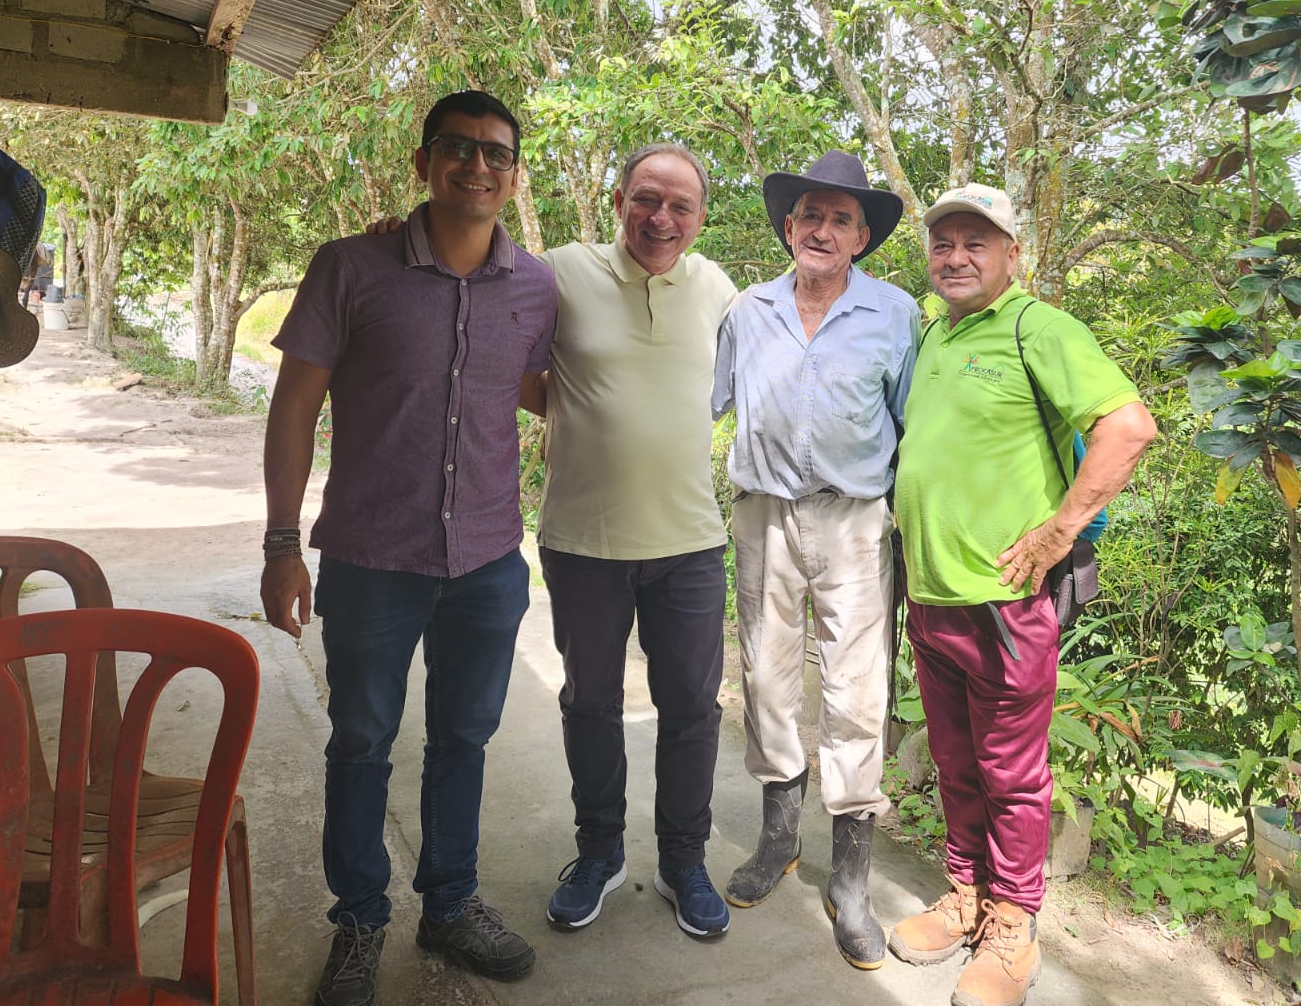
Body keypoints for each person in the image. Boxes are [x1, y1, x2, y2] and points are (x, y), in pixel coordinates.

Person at [260, 90, 557, 1006]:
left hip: (487, 562)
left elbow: (547, 391)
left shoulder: (538, 287)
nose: (478, 165)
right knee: (361, 741)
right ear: (423, 162)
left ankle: (450, 905)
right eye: (458, 148)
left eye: (496, 153)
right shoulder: (351, 267)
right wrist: (281, 543)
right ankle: (358, 921)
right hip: (370, 558)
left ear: (515, 176)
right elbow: (294, 408)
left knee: (464, 739)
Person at [888, 185, 1157, 1006]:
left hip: (1004, 603)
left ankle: (1014, 925)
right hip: (931, 596)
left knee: (1011, 772)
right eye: (943, 242)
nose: (956, 257)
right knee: (955, 760)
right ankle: (966, 895)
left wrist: (1058, 532)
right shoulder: (935, 332)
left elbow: (1128, 427)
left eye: (977, 242)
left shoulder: (1036, 328)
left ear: (1012, 254)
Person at [520, 143, 739, 940]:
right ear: (618, 201)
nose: (661, 217)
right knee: (589, 703)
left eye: (681, 205)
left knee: (692, 710)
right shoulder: (561, 272)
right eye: (647, 198)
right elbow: (510, 360)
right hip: (583, 540)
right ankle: (599, 852)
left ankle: (683, 860)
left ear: (701, 218)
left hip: (689, 543)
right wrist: (578, 408)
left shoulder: (718, 290)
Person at [710, 151, 918, 969]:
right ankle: (778, 840)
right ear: (788, 227)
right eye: (810, 216)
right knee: (765, 677)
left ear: (861, 237)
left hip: (855, 520)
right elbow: (703, 401)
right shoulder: (747, 310)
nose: (822, 231)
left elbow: (910, 425)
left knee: (857, 691)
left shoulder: (895, 314)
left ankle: (853, 878)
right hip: (762, 514)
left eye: (840, 219)